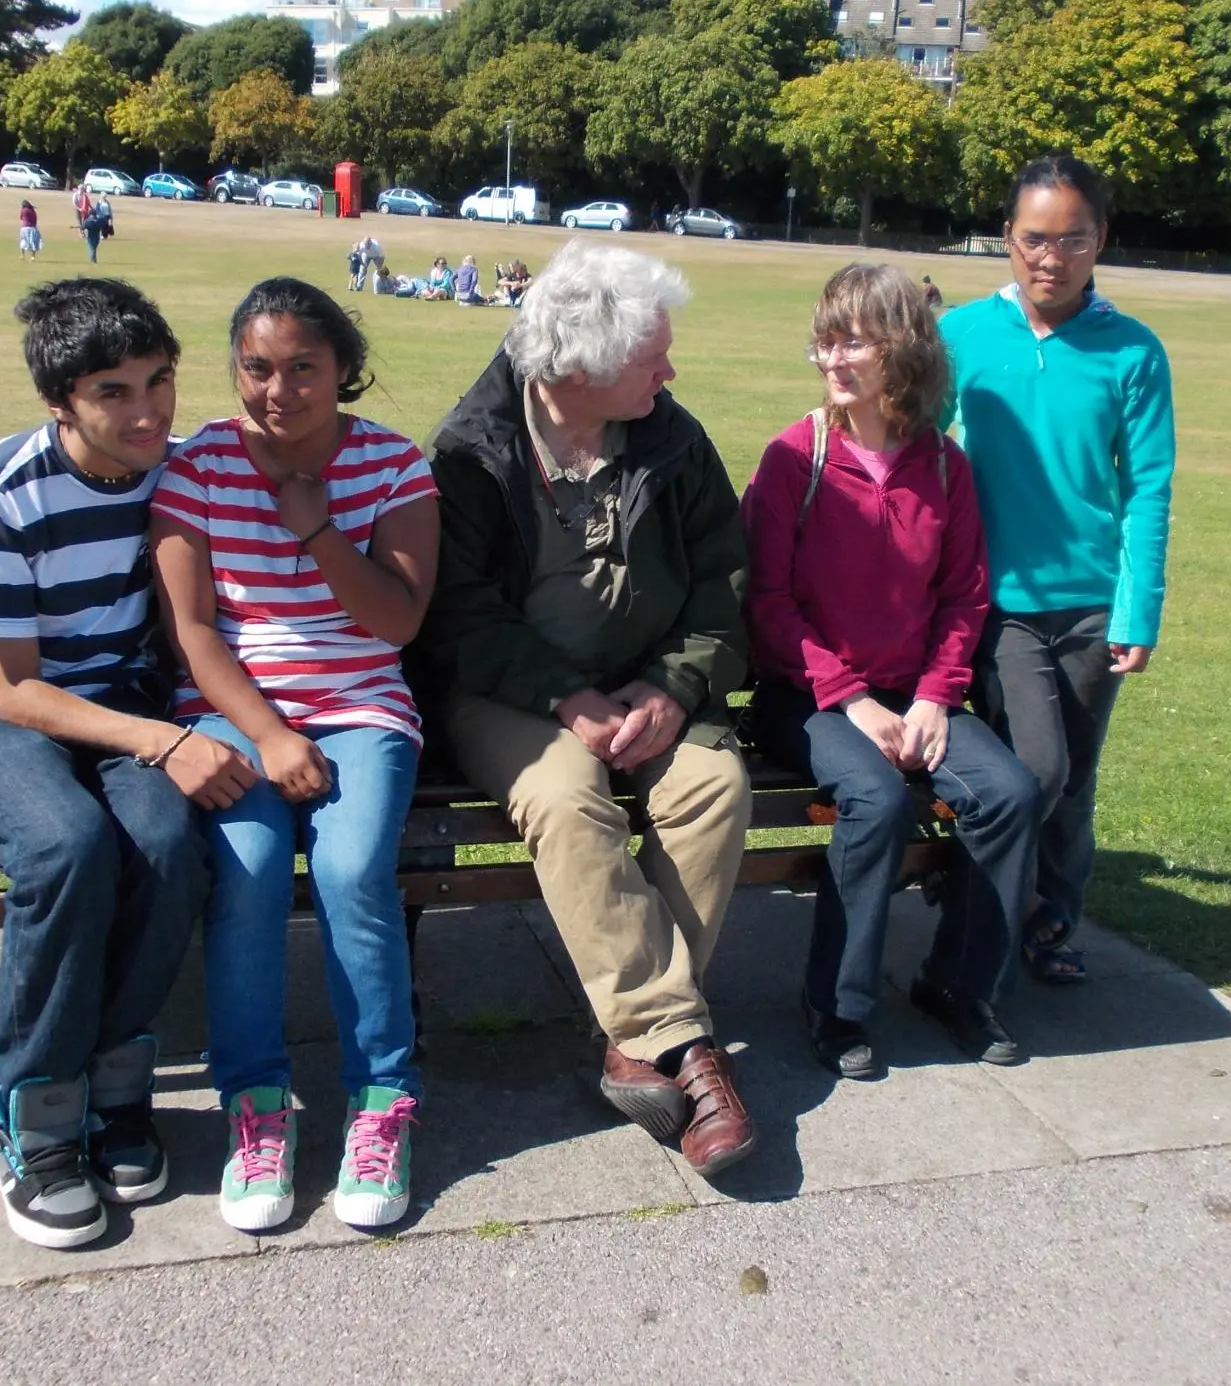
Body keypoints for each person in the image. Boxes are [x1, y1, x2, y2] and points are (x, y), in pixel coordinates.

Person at [415, 242, 757, 1178]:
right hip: (512, 700)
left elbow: (725, 588)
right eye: (652, 359)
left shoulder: (673, 439)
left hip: (649, 687)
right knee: (567, 803)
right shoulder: (471, 456)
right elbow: (457, 617)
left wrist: (672, 686)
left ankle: (639, 1044)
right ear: (577, 371)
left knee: (713, 788)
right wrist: (566, 698)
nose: (671, 373)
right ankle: (687, 1050)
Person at [0, 278, 248, 1250]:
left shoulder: (178, 471)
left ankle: (114, 1084)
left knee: (163, 840)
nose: (148, 410)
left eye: (159, 380)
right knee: (66, 846)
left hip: (122, 713)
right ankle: (30, 1110)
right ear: (59, 402)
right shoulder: (1, 490)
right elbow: (14, 691)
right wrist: (166, 741)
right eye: (113, 392)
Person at [151, 279, 438, 1232]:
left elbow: (395, 622)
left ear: (344, 370)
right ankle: (256, 1106)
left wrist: (314, 526)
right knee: (252, 864)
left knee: (355, 870)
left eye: (304, 368)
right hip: (232, 709)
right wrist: (268, 735)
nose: (279, 389)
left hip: (361, 702)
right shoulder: (197, 466)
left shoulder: (394, 466)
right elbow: (194, 630)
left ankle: (382, 1101)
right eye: (257, 368)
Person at [742, 264, 1040, 1077]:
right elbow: (765, 603)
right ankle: (838, 1008)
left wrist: (940, 697)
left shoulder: (945, 467)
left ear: (903, 350)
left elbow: (964, 599)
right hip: (803, 697)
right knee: (874, 800)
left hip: (917, 695)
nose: (831, 358)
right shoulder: (793, 457)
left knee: (1010, 796)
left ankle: (959, 986)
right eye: (823, 341)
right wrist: (853, 700)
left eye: (853, 341)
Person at [941, 154, 1175, 985]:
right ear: (1006, 239)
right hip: (998, 601)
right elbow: (911, 449)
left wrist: (1137, 612)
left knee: (1073, 782)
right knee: (1034, 769)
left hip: (1092, 606)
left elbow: (1148, 490)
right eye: (1035, 238)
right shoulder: (963, 334)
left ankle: (1053, 921)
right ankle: (999, 904)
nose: (1052, 257)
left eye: (1072, 239)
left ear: (1100, 239)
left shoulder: (1133, 352)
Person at [82, 196, 110, 263]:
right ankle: (93, 259)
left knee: (92, 248)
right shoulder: (100, 220)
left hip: (90, 236)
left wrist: (82, 233)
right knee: (93, 248)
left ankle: (93, 260)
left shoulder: (87, 221)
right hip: (97, 236)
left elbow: (83, 227)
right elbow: (104, 226)